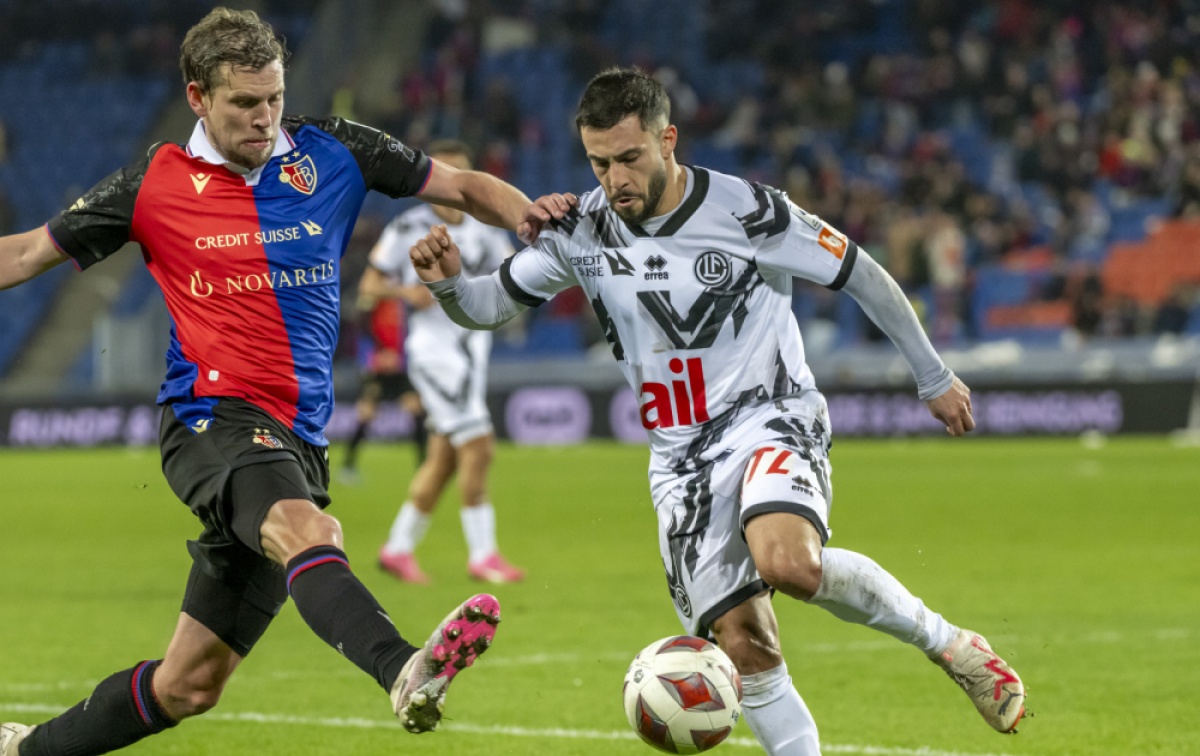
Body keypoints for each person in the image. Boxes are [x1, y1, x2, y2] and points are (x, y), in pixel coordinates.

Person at [0, 9, 572, 755]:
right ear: (197, 96)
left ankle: (27, 749)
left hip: (298, 436)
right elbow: (24, 253)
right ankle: (403, 667)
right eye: (244, 104)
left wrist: (527, 217)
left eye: (274, 99)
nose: (265, 118)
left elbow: (462, 186)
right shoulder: (154, 184)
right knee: (308, 532)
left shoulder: (335, 150)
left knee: (189, 684)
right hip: (210, 419)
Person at [408, 68, 1025, 753]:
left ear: (667, 140)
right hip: (680, 462)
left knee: (788, 563)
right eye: (599, 163)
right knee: (746, 644)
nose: (615, 180)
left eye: (629, 158)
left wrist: (932, 375)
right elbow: (490, 305)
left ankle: (951, 645)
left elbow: (861, 273)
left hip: (769, 414)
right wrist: (449, 285)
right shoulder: (581, 227)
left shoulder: (749, 211)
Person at [362, 140, 525, 585]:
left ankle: (397, 550)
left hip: (472, 353)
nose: (455, 186)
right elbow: (369, 285)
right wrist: (405, 292)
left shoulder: (484, 228)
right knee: (479, 445)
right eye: (445, 175)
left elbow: (515, 273)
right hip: (436, 355)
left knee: (444, 459)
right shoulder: (408, 227)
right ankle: (483, 556)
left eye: (463, 175)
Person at [337, 295, 427, 484]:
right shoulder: (373, 298)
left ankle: (424, 466)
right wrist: (375, 356)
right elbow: (360, 326)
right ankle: (348, 466)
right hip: (377, 369)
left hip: (399, 368)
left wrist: (404, 358)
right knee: (366, 413)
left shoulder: (400, 300)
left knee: (416, 409)